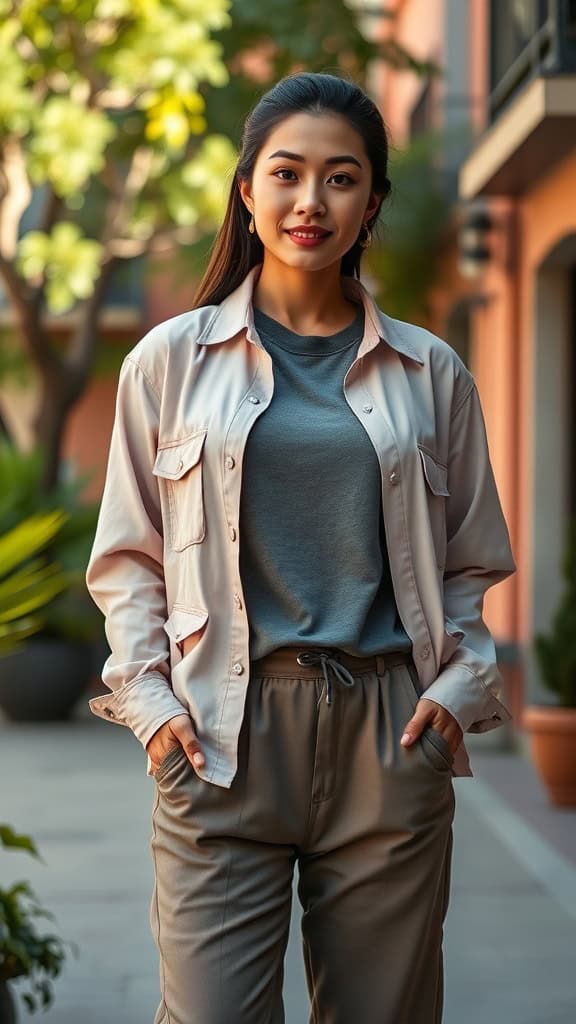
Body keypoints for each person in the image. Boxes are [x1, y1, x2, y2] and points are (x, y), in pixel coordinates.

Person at [85, 71, 516, 1024]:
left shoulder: (428, 371)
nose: (310, 202)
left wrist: (453, 696)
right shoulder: (169, 361)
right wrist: (153, 710)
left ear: (371, 204)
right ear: (246, 191)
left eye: (341, 178)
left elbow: (471, 562)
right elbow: (129, 559)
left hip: (388, 734)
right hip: (219, 737)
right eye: (286, 173)